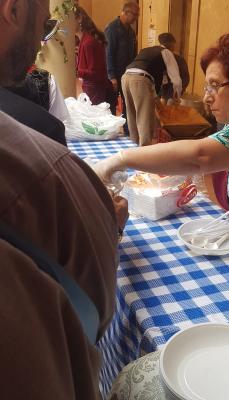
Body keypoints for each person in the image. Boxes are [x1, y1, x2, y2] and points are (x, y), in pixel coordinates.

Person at [94, 33, 229, 267]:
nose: (207, 98)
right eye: (206, 85)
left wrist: (121, 159)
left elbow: (200, 156)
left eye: (215, 85)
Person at [0, 0, 128, 398]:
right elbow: (97, 302)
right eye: (42, 24)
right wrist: (105, 212)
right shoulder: (44, 167)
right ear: (12, 9)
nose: (42, 40)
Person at [122, 41, 182, 146]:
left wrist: (156, 100)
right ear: (171, 46)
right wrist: (177, 95)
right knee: (144, 117)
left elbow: (152, 82)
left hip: (126, 77)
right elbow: (176, 78)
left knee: (131, 113)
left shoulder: (146, 50)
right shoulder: (167, 52)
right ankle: (144, 150)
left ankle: (133, 146)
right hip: (140, 80)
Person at [75, 6, 116, 109]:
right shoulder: (84, 41)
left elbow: (95, 74)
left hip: (97, 94)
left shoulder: (88, 42)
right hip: (93, 92)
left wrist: (76, 72)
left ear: (79, 18)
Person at [105, 1, 139, 119]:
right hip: (115, 74)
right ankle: (112, 129)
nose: (136, 18)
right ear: (125, 12)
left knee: (129, 103)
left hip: (127, 74)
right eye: (135, 14)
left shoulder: (131, 31)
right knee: (112, 104)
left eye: (137, 15)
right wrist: (112, 76)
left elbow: (134, 54)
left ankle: (126, 129)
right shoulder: (112, 29)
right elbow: (108, 53)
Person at [158, 32, 190, 102]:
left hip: (165, 93)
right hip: (171, 93)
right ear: (173, 45)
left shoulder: (156, 58)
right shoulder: (180, 59)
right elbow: (186, 78)